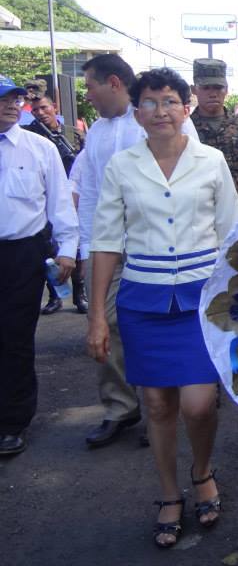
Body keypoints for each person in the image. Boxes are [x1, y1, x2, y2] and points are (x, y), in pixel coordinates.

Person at [86, 67, 238, 548]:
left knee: (197, 404)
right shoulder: (122, 166)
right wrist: (95, 316)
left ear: (185, 107)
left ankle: (201, 470)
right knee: (156, 404)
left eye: (170, 101)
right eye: (150, 103)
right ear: (137, 112)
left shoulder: (212, 161)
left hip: (199, 302)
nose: (161, 111)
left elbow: (232, 237)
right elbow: (107, 240)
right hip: (143, 301)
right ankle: (170, 494)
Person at [77, 54, 200, 449]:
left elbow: (194, 182)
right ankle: (119, 407)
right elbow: (92, 194)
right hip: (112, 248)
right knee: (108, 324)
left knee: (166, 322)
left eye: (90, 86)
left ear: (113, 83)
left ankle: (162, 409)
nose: (87, 95)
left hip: (165, 250)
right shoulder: (96, 132)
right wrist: (85, 249)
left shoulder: (164, 119)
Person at [0, 75, 78, 457]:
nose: (12, 105)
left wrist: (67, 250)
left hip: (22, 255)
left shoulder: (39, 148)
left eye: (15, 99)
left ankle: (12, 422)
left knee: (15, 339)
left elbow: (60, 202)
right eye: (3, 100)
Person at [25, 94, 87, 315]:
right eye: (35, 110)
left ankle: (79, 295)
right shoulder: (32, 135)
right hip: (47, 196)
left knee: (76, 249)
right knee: (49, 251)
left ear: (54, 107)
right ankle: (54, 296)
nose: (40, 113)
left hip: (73, 194)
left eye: (43, 108)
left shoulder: (73, 132)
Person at [190, 58, 238, 210]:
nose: (213, 93)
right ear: (194, 90)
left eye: (218, 87)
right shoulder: (184, 128)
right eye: (206, 88)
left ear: (226, 89)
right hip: (197, 217)